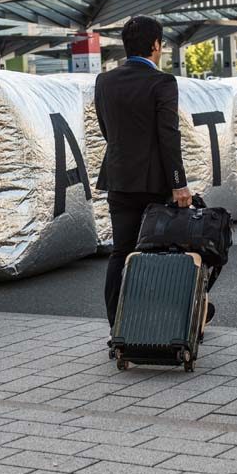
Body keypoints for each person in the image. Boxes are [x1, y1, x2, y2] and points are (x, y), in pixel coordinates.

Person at [94, 16, 193, 328]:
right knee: (160, 251)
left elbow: (106, 130)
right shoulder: (163, 82)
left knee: (121, 251)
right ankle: (159, 322)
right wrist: (179, 183)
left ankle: (117, 326)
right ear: (156, 45)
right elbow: (169, 137)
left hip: (119, 179)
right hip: (154, 183)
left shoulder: (104, 81)